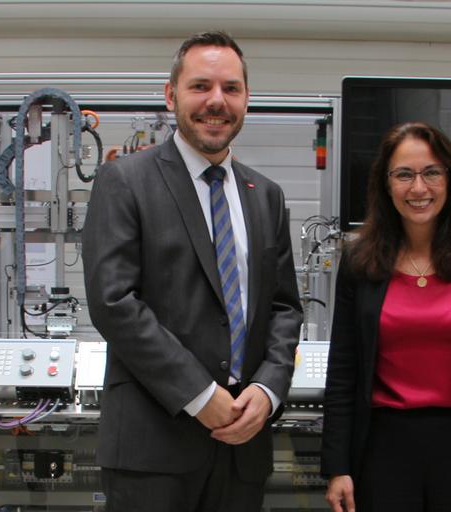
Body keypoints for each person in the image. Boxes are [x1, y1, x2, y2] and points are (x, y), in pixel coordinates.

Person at [82, 31, 302, 512]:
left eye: (231, 88)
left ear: (246, 98)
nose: (216, 102)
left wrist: (267, 390)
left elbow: (285, 308)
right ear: (171, 95)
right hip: (153, 449)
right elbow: (113, 302)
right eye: (201, 86)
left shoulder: (265, 195)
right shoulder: (126, 181)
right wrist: (201, 395)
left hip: (243, 445)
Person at [321, 122, 451, 512]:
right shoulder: (361, 260)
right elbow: (343, 370)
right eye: (404, 175)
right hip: (380, 451)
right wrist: (337, 466)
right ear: (385, 183)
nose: (418, 188)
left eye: (431, 172)